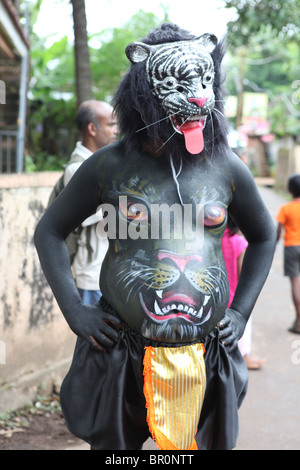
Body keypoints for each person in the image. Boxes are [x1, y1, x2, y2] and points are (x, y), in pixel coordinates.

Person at [34, 24, 276, 450]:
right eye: (182, 85)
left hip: (205, 354)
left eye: (204, 82)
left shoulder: (226, 166)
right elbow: (49, 232)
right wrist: (76, 311)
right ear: (144, 93)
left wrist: (239, 313)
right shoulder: (108, 166)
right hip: (120, 352)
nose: (199, 97)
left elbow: (263, 235)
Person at [64, 100, 118, 304]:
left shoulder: (101, 164)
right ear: (92, 129)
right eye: (111, 124)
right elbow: (109, 215)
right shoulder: (77, 169)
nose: (117, 130)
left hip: (108, 274)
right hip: (92, 276)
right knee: (94, 335)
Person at [222, 216, 266, 369]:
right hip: (235, 298)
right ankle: (243, 356)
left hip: (218, 299)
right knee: (245, 321)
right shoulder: (239, 243)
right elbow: (243, 276)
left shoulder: (215, 240)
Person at [276, 174, 300, 334]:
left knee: (295, 284)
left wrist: (273, 245)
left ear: (290, 190)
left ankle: (299, 321)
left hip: (291, 247)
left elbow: (277, 231)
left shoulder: (286, 208)